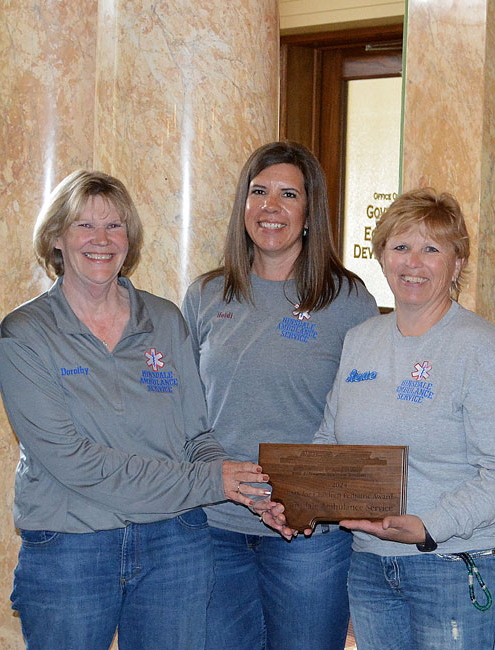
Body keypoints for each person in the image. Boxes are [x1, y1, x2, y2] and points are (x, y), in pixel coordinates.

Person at [0, 169, 269, 650]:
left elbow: (196, 436)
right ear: (56, 237)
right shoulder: (26, 332)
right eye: (84, 225)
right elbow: (73, 460)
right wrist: (210, 481)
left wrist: (244, 485)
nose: (101, 240)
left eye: (114, 226)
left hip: (174, 543)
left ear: (129, 238)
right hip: (70, 546)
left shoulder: (164, 319)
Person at [257, 187, 495, 650]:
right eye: (401, 246)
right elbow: (331, 441)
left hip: (459, 562)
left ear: (457, 263)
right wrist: (297, 501)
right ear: (382, 256)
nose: (413, 262)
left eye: (432, 249)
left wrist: (429, 525)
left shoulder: (483, 347)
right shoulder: (361, 339)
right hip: (371, 566)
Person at [183, 142, 380, 650]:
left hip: (308, 536)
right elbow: (183, 411)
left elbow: (365, 415)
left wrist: (297, 496)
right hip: (216, 524)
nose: (270, 206)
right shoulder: (206, 295)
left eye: (288, 194)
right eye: (259, 191)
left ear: (310, 213)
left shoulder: (348, 300)